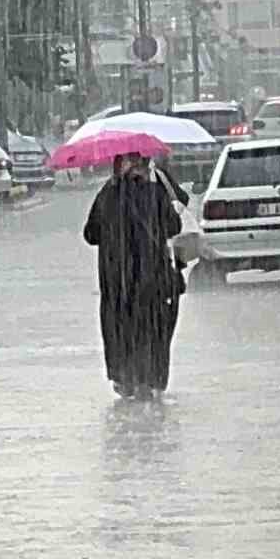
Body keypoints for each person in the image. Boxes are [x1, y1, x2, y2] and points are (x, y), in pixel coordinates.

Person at [82, 152, 183, 400]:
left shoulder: (107, 195)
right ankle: (150, 380)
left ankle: (124, 378)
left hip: (118, 284)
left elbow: (90, 234)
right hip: (153, 282)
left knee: (121, 332)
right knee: (152, 332)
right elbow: (174, 227)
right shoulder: (155, 193)